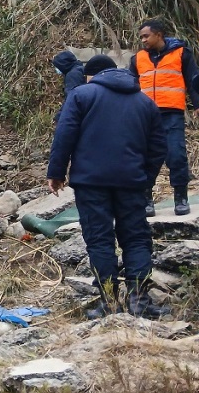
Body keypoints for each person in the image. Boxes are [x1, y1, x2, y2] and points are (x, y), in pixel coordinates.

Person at [47, 55, 169, 319]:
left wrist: (56, 173)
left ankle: (110, 302)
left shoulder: (81, 95)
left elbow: (65, 134)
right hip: (131, 182)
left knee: (99, 240)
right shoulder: (145, 102)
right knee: (136, 238)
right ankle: (139, 301)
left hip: (90, 183)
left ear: (92, 75)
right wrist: (144, 180)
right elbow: (158, 146)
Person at [128, 19, 199, 216]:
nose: (143, 40)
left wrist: (198, 104)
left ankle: (181, 197)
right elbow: (130, 86)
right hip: (145, 116)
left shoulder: (181, 53)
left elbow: (194, 81)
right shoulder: (137, 59)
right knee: (144, 158)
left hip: (172, 114)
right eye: (141, 36)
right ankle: (146, 199)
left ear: (159, 35)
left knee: (176, 155)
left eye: (146, 36)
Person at [51, 49, 85, 122]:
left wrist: (60, 115)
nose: (56, 69)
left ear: (63, 65)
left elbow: (72, 97)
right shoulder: (81, 70)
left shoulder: (72, 75)